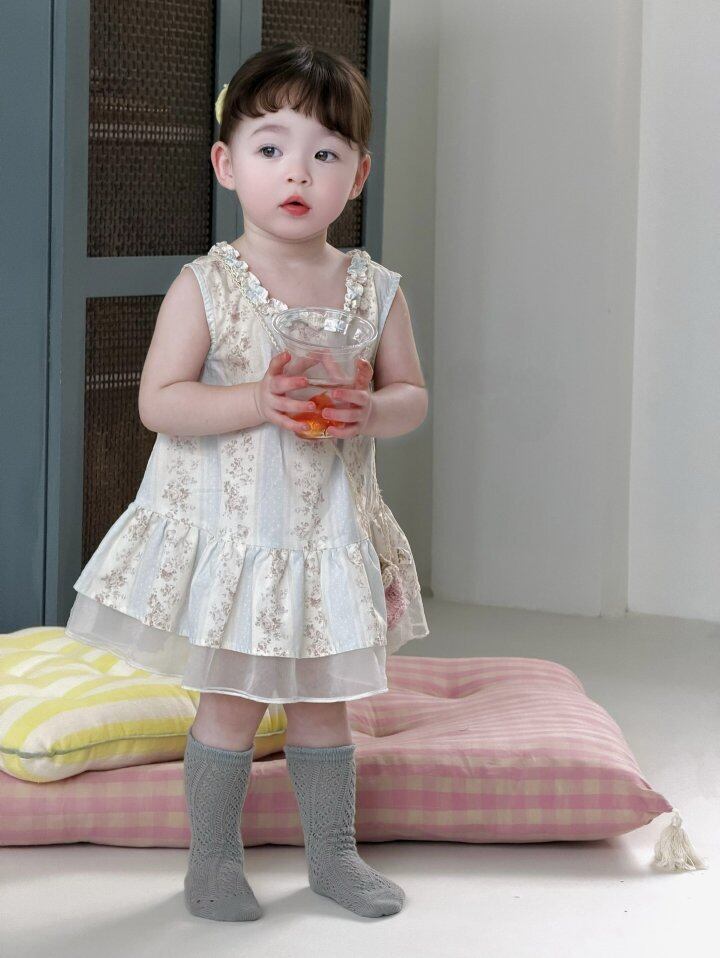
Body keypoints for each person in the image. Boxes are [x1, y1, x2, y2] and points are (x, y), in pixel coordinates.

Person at [64, 41, 429, 921]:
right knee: (228, 707)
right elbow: (160, 401)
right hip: (240, 541)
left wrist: (372, 412)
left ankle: (333, 857)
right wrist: (256, 400)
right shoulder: (209, 285)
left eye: (325, 153)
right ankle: (213, 862)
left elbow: (413, 395)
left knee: (325, 709)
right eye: (271, 147)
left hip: (326, 536)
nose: (297, 171)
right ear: (227, 165)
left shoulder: (373, 289)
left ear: (358, 175)